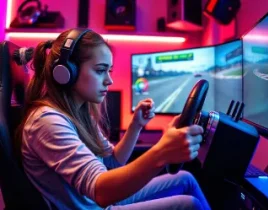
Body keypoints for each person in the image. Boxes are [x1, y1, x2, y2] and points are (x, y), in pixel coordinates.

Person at [17, 28, 211, 210]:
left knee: (185, 179)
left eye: (109, 71)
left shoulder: (78, 113)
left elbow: (113, 162)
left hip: (95, 201)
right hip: (96, 203)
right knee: (188, 205)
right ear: (66, 72)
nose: (109, 80)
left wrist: (136, 126)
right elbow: (101, 191)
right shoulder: (47, 121)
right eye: (101, 70)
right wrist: (162, 153)